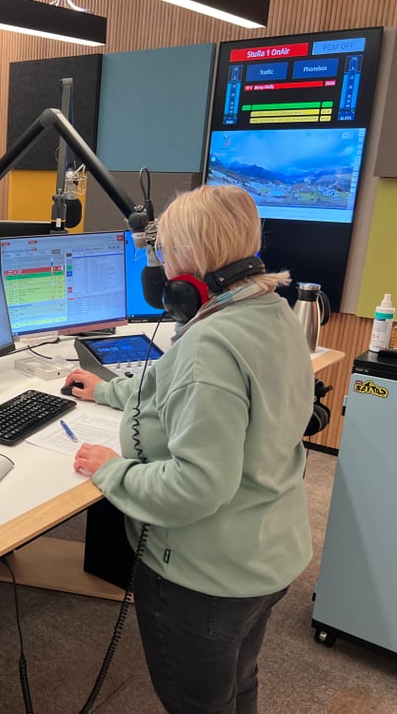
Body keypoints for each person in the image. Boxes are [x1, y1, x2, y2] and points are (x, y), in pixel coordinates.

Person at [64, 185, 314, 714]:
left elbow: (197, 485)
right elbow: (186, 392)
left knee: (200, 703)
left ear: (191, 269)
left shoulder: (209, 346)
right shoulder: (271, 311)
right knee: (238, 683)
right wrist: (109, 390)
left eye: (165, 256)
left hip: (207, 578)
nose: (160, 270)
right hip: (266, 552)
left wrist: (114, 473)